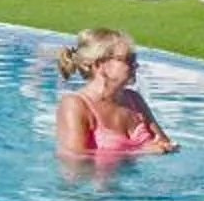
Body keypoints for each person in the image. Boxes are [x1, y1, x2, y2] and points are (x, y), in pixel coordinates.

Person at [52, 28, 175, 158]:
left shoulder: (134, 100)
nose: (136, 65)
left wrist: (166, 147)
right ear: (100, 64)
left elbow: (164, 142)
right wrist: (138, 152)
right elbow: (73, 160)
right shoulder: (75, 104)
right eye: (128, 59)